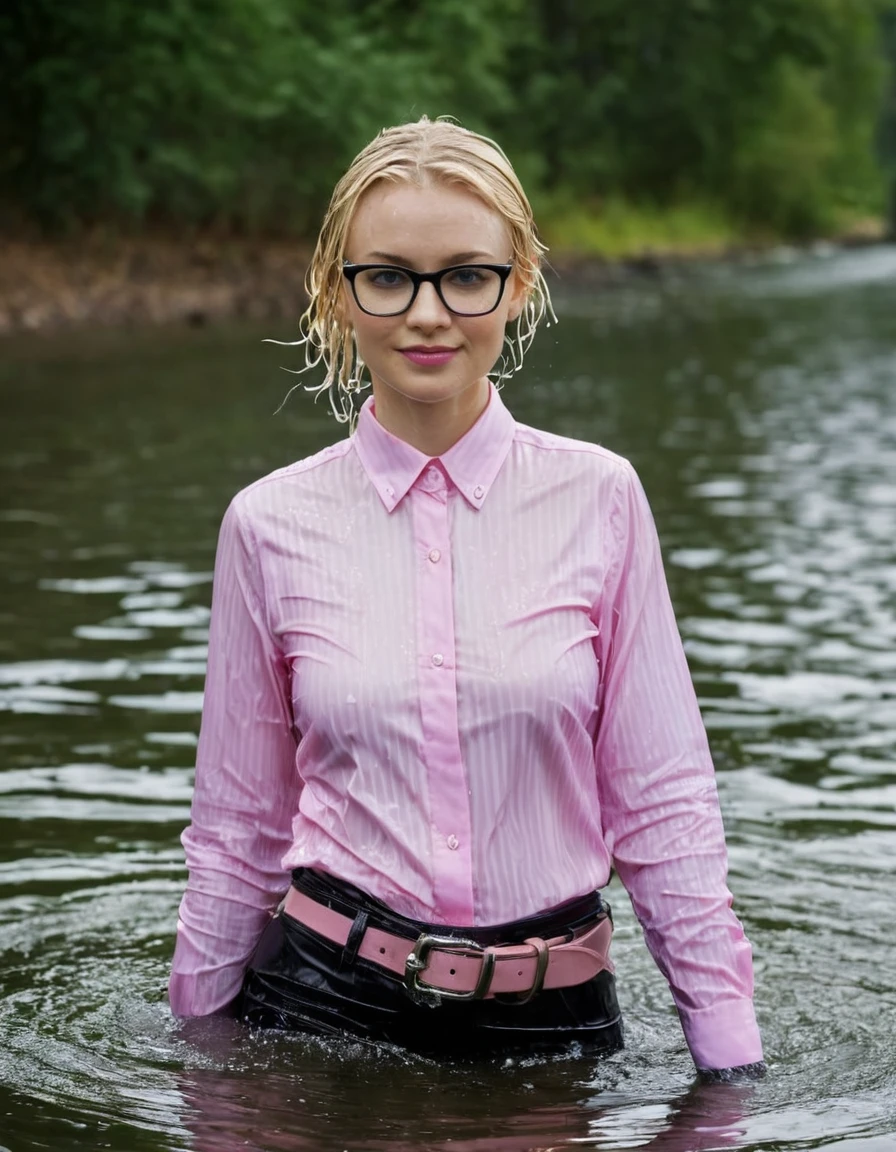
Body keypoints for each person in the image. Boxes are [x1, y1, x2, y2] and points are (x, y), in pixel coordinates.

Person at [168, 116, 765, 1078]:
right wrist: (195, 1059)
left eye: (466, 275)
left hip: (553, 1019)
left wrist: (727, 1059)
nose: (428, 313)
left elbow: (663, 804)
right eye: (390, 275)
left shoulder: (602, 499)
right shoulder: (267, 524)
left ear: (517, 282)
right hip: (320, 1016)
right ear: (341, 289)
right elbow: (238, 826)